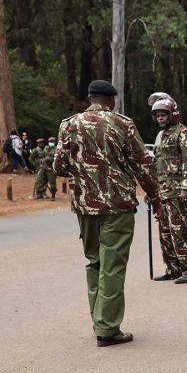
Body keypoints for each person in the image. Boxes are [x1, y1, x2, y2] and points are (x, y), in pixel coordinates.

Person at [53, 79, 159, 346]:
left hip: (84, 206)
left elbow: (58, 166)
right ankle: (108, 328)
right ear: (111, 101)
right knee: (112, 265)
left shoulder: (69, 124)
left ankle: (99, 319)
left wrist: (84, 173)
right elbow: (142, 165)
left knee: (94, 261)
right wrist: (155, 194)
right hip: (117, 205)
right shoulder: (123, 124)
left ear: (90, 98)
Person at [148, 93, 187, 284]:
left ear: (172, 115)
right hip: (164, 191)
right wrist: (153, 190)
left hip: (179, 192)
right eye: (158, 115)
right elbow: (157, 164)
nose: (160, 118)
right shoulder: (161, 136)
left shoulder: (182, 132)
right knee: (166, 232)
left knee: (181, 231)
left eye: (163, 114)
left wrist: (186, 187)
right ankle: (173, 268)